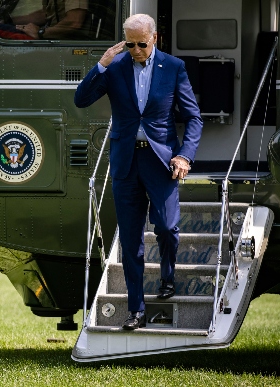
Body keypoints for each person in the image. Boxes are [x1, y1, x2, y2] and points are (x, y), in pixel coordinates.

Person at [74, 14, 202, 330]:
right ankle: (136, 310)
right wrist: (102, 64)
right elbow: (81, 99)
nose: (135, 50)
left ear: (154, 38)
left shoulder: (173, 68)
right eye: (129, 44)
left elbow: (194, 118)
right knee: (130, 240)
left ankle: (168, 276)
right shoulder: (115, 67)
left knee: (168, 229)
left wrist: (184, 156)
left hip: (162, 164)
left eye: (141, 44)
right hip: (125, 162)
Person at [0, 0, 88, 40]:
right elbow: (45, 14)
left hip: (64, 40)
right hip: (50, 37)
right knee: (1, 27)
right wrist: (10, 21)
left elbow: (74, 22)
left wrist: (41, 33)